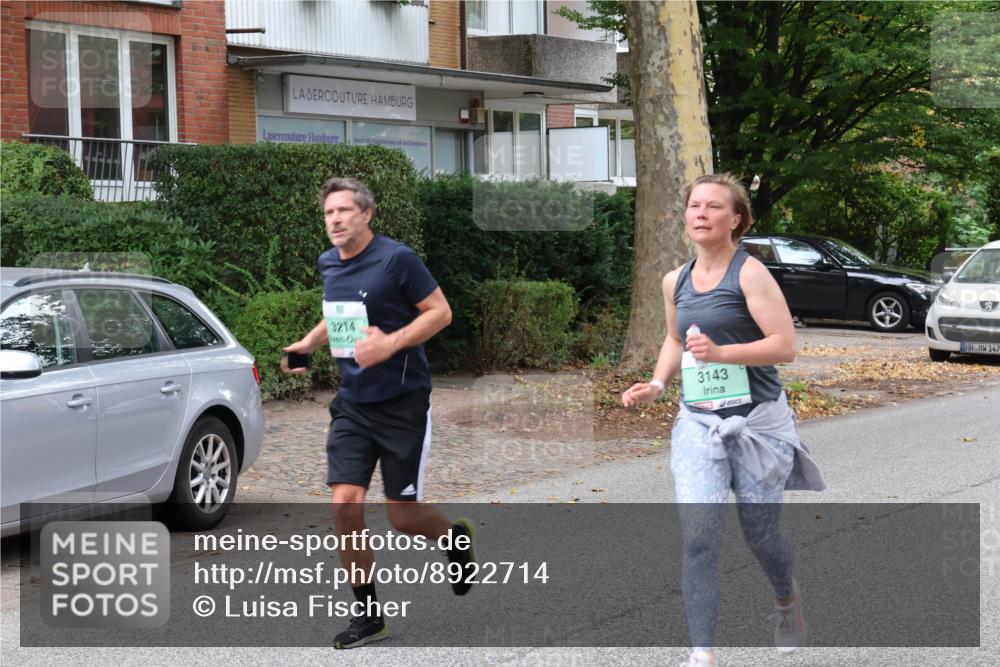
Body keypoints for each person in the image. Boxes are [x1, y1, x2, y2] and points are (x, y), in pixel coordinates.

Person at [621, 174, 825, 666]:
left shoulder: (751, 274)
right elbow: (675, 339)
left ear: (736, 219)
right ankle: (703, 653)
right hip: (698, 423)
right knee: (699, 538)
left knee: (761, 536)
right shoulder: (675, 280)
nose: (701, 213)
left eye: (714, 206)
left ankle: (786, 600)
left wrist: (721, 353)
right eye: (695, 205)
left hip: (758, 424)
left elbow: (784, 346)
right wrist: (658, 384)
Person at [283, 177, 476, 649]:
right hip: (353, 403)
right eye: (329, 213)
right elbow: (340, 313)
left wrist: (390, 343)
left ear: (367, 214)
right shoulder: (329, 262)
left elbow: (440, 312)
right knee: (344, 505)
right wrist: (308, 343)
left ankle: (454, 539)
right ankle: (369, 616)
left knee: (403, 518)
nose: (335, 220)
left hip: (402, 402)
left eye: (344, 211)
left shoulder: (397, 259)